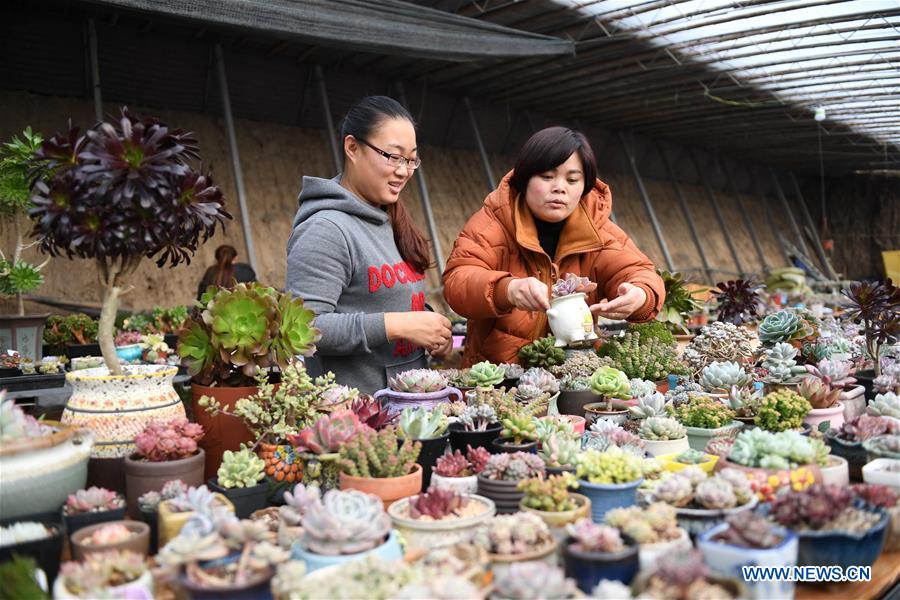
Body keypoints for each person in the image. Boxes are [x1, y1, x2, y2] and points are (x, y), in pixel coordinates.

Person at [443, 126, 665, 366]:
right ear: (525, 178)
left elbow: (639, 271)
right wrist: (507, 290)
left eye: (572, 179)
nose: (560, 187)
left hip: (575, 372)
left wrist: (640, 295)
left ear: (585, 186)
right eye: (547, 177)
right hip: (497, 377)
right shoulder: (492, 223)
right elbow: (458, 281)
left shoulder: (599, 230)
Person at [286, 96, 452, 393]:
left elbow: (383, 297)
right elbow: (305, 329)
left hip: (407, 405)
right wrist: (398, 326)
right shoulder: (326, 229)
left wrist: (429, 328)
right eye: (393, 156)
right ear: (352, 147)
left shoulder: (390, 217)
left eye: (411, 159)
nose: (403, 170)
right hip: (358, 416)